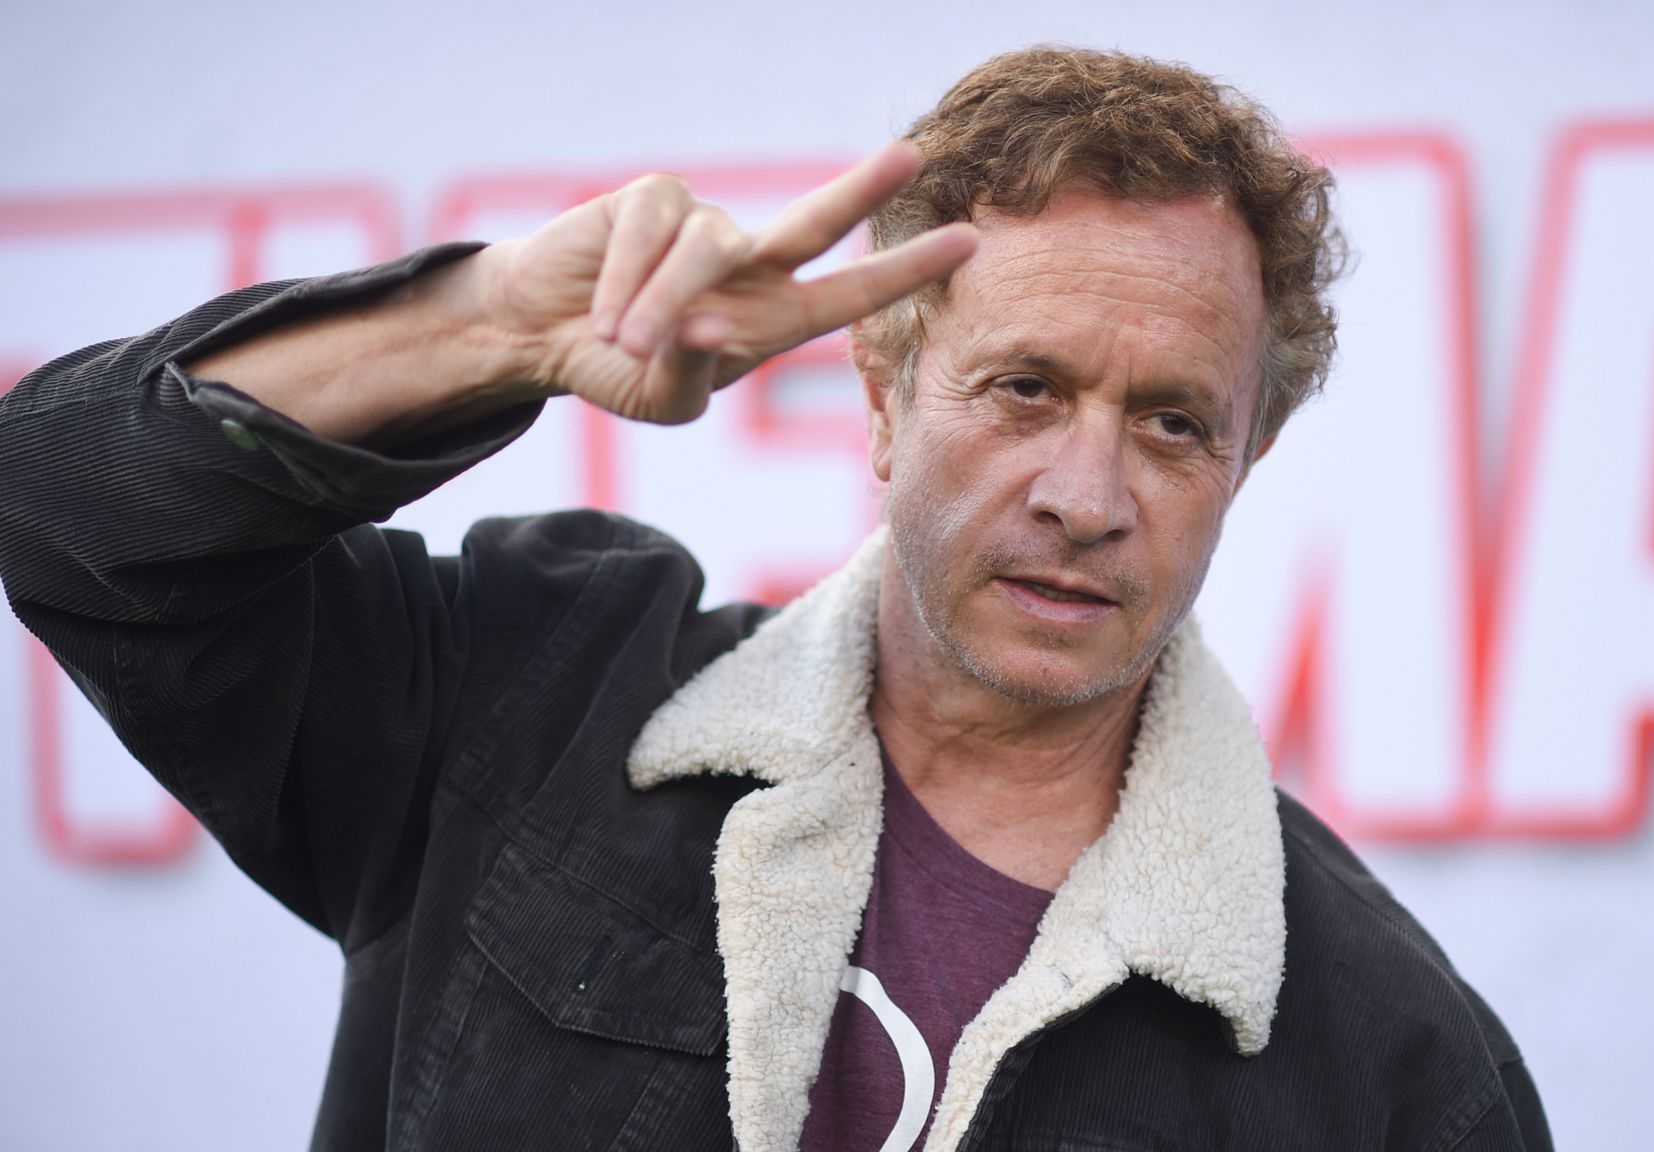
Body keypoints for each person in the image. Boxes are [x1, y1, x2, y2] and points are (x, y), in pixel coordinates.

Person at [0, 47, 1548, 1152]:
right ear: (881, 393)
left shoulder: (1397, 1065)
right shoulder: (534, 693)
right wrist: (493, 323)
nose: (1088, 497)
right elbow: (63, 508)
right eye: (1022, 389)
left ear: (1247, 455)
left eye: (1171, 423)